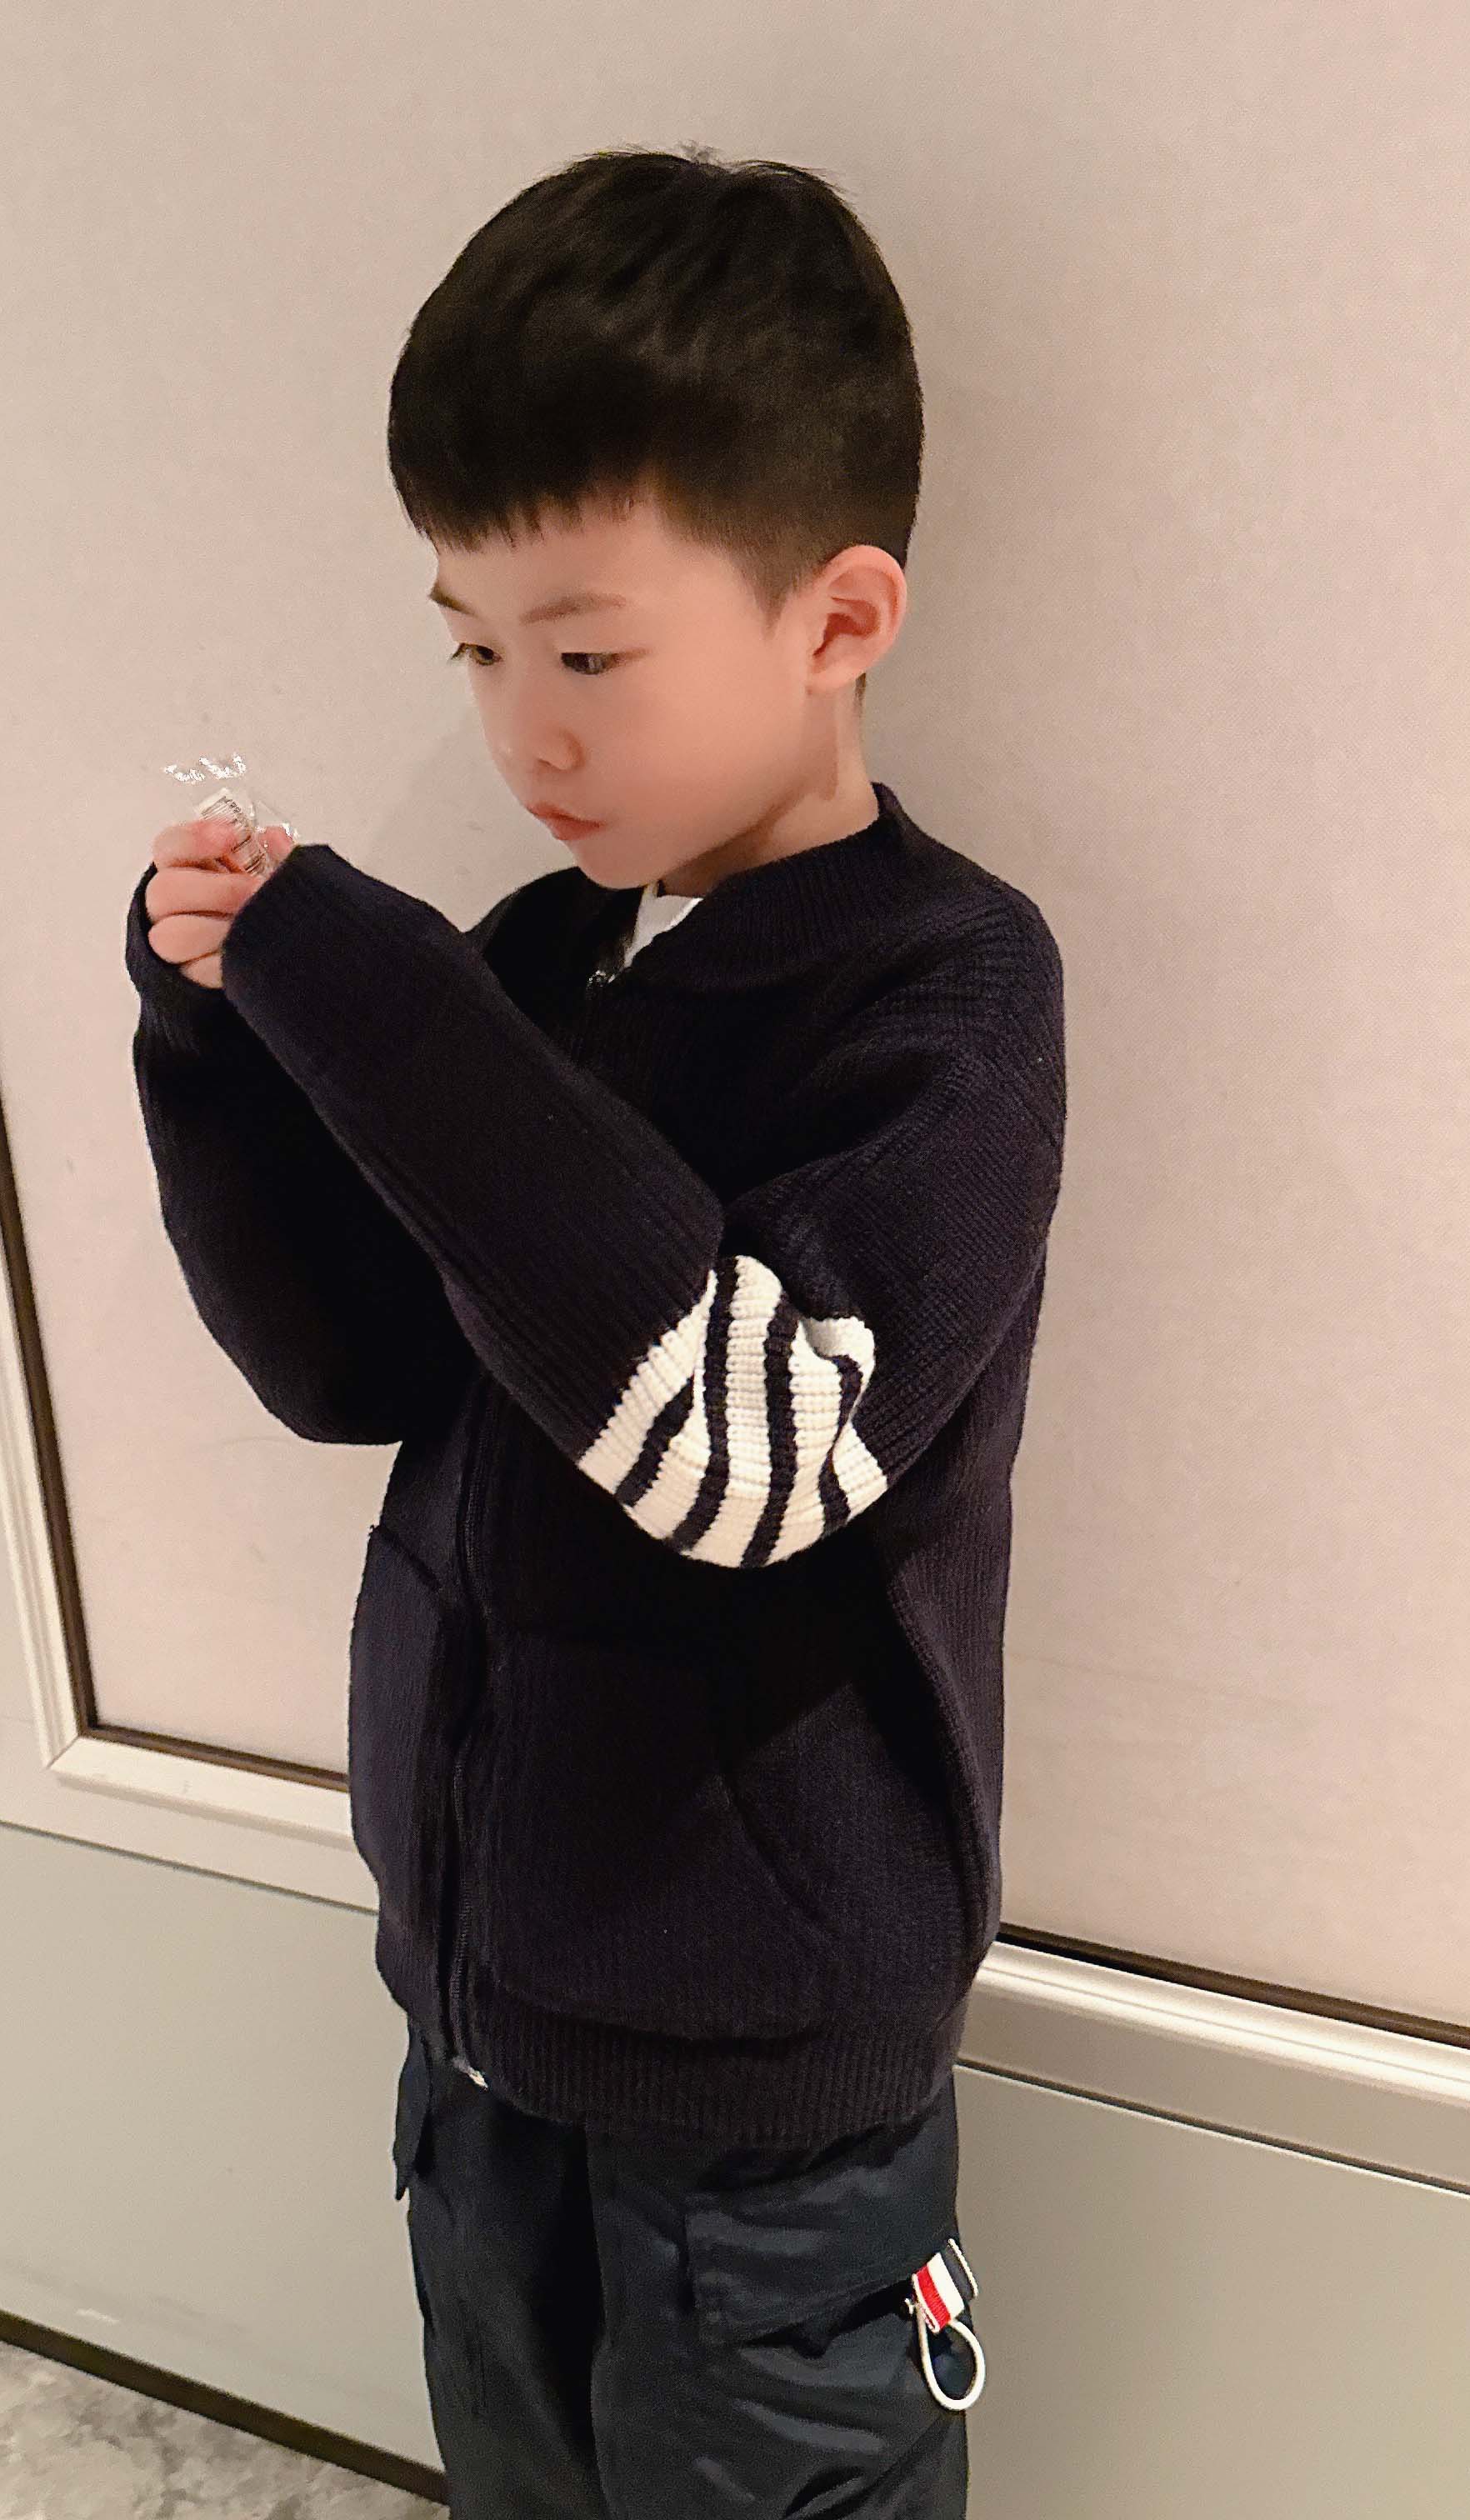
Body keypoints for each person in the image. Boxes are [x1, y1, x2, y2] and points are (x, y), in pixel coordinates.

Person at [122, 142, 1064, 2518]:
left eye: (586, 653)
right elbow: (351, 1370)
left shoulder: (947, 995)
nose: (522, 734)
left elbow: (743, 1450)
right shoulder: (543, 965)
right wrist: (222, 1049)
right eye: (473, 649)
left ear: (838, 618)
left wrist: (371, 994)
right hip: (482, 2019)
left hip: (766, 2123)